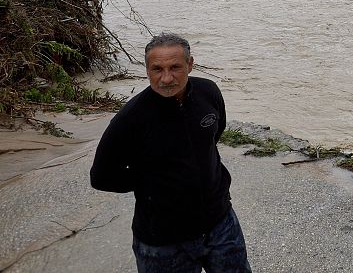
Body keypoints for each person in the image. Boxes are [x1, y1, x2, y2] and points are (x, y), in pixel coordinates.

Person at [91, 33, 251, 272]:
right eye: (157, 69)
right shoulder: (131, 118)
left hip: (220, 223)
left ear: (190, 64)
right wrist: (149, 180)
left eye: (175, 67)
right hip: (163, 240)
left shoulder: (208, 93)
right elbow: (101, 177)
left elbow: (215, 134)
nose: (166, 78)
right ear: (147, 70)